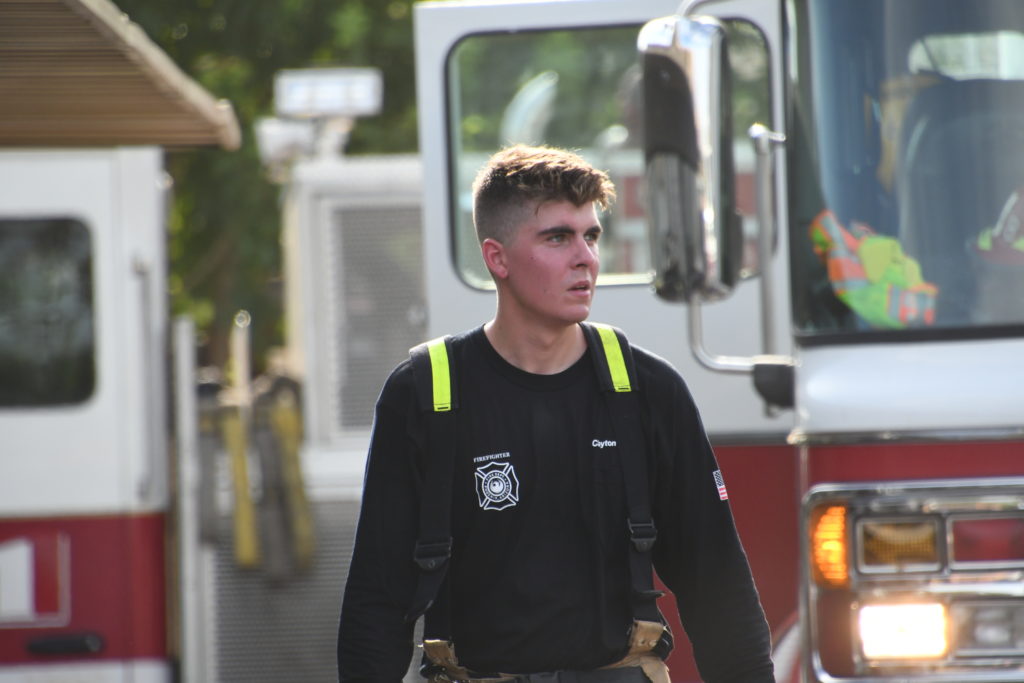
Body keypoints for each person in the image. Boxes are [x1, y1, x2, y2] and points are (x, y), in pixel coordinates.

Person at [337, 144, 774, 682]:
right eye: (558, 238)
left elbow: (720, 590)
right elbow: (376, 600)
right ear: (497, 258)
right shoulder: (422, 395)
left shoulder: (650, 392)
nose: (585, 257)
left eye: (591, 236)